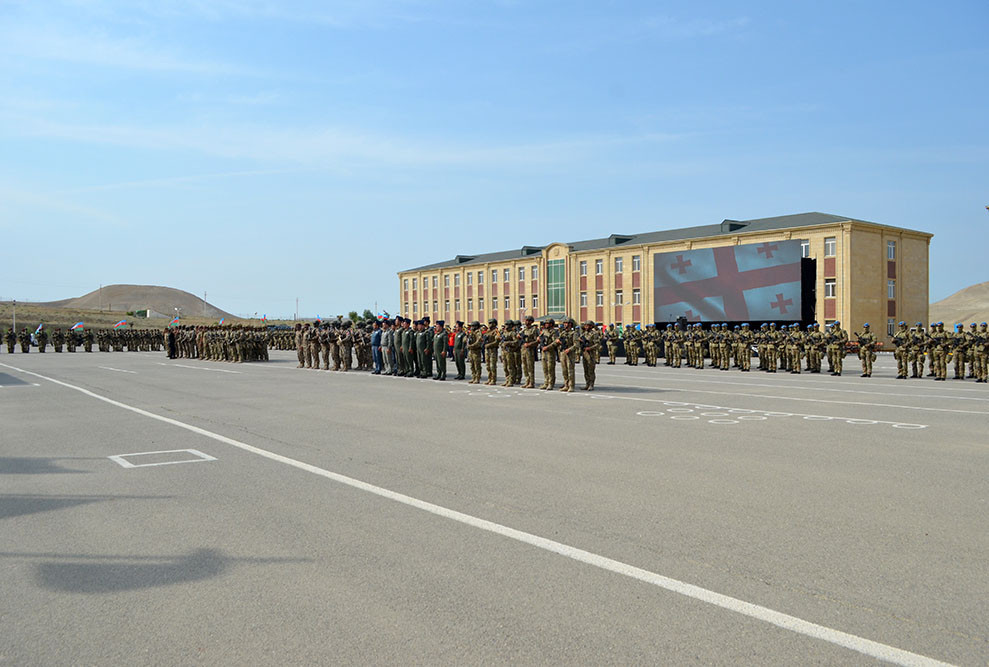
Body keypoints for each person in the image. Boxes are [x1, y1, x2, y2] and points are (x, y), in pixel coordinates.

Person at [580, 320, 600, 390]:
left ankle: (591, 384)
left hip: (591, 354)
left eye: (587, 325)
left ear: (591, 326)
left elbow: (597, 344)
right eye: (585, 325)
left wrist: (590, 348)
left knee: (591, 370)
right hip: (584, 353)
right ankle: (587, 383)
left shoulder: (594, 334)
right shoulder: (584, 334)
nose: (586, 327)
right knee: (585, 369)